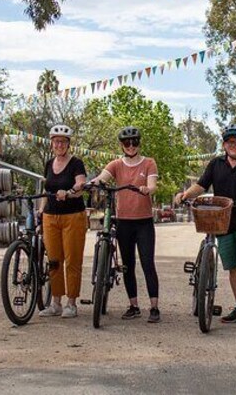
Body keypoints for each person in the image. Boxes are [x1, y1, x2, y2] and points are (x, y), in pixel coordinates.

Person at [174, 124, 236, 327]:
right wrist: (184, 194)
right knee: (233, 268)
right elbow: (201, 185)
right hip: (222, 223)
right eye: (229, 141)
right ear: (224, 144)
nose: (233, 144)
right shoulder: (216, 164)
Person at [88, 126, 161, 324]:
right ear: (121, 145)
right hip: (124, 223)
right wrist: (93, 182)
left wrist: (148, 189)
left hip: (144, 222)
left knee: (147, 264)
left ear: (139, 143)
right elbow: (102, 177)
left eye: (134, 142)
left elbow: (153, 184)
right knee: (128, 265)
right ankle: (134, 305)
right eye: (127, 143)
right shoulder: (115, 164)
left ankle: (154, 307)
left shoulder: (148, 163)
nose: (130, 146)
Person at [39, 124, 88, 318]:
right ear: (51, 143)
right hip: (51, 216)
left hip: (73, 216)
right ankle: (55, 302)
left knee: (72, 260)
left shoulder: (76, 163)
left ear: (68, 144)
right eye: (56, 141)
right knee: (53, 261)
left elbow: (81, 184)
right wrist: (41, 210)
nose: (59, 145)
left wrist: (68, 193)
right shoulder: (49, 163)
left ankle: (71, 303)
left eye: (63, 142)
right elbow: (46, 188)